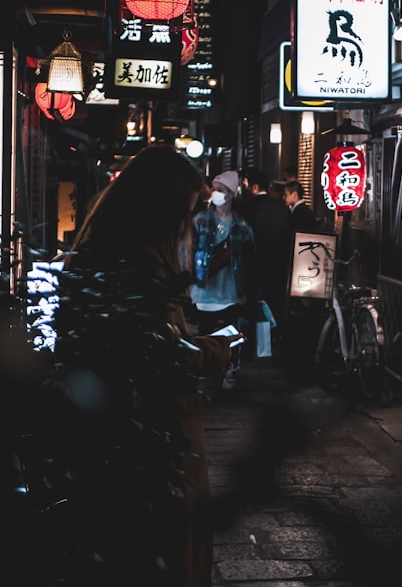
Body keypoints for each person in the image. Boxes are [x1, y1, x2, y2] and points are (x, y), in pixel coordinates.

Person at [54, 145, 235, 587]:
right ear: (161, 212)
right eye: (183, 215)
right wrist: (219, 350)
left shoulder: (101, 252)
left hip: (111, 440)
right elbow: (159, 356)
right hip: (149, 444)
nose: (186, 228)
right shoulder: (141, 263)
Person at [190, 170, 256, 390]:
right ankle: (206, 370)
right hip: (205, 289)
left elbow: (251, 258)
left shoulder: (242, 225)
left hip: (231, 288)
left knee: (232, 333)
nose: (215, 193)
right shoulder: (199, 221)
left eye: (220, 190)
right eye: (214, 189)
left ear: (230, 194)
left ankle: (230, 369)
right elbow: (188, 253)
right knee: (205, 333)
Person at [238, 168, 293, 330]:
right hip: (277, 268)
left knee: (251, 312)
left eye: (247, 185)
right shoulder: (281, 208)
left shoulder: (244, 208)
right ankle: (272, 341)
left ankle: (251, 346)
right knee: (274, 308)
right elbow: (288, 238)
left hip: (251, 269)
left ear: (255, 187)